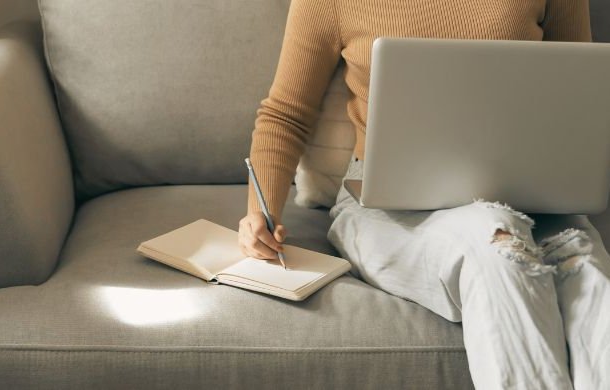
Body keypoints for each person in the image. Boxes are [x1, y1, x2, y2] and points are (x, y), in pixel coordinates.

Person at [238, 0, 609, 389]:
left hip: (525, 190)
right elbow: (285, 114)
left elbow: (578, 89)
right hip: (380, 204)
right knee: (496, 243)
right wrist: (260, 213)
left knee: (587, 274)